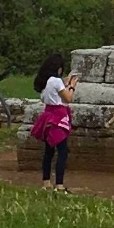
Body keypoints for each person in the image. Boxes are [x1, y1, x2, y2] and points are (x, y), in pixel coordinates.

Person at [31, 52, 76, 191]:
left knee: (49, 151)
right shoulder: (55, 81)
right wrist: (72, 86)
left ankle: (46, 183)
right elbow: (67, 98)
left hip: (48, 116)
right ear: (59, 68)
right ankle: (60, 184)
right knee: (62, 152)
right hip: (58, 116)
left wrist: (66, 83)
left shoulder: (46, 81)